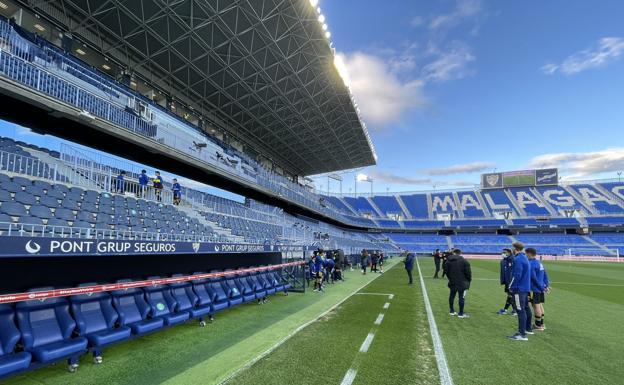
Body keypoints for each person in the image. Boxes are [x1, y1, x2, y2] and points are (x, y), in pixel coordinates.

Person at [508, 241, 533, 341]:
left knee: (520, 310)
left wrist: (510, 286)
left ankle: (521, 334)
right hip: (524, 288)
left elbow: (517, 275)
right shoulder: (524, 258)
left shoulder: (518, 259)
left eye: (512, 248)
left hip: (519, 288)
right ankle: (526, 329)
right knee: (524, 309)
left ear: (515, 248)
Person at [527, 248, 550, 331]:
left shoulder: (531, 264)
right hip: (540, 287)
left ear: (529, 254)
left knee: (536, 306)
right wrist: (546, 285)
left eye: (526, 254)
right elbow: (545, 275)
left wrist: (541, 288)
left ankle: (538, 325)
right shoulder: (539, 263)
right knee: (540, 305)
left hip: (534, 288)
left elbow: (533, 278)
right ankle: (542, 324)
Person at [444, 249, 472, 318]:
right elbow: (468, 273)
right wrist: (468, 280)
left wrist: (450, 278)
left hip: (452, 281)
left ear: (453, 253)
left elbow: (446, 271)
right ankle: (461, 313)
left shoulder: (448, 261)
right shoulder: (465, 261)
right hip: (462, 282)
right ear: (460, 253)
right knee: (461, 297)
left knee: (452, 296)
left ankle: (451, 311)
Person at [497, 248, 516, 315]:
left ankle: (509, 310)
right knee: (510, 295)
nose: (503, 253)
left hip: (511, 281)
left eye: (505, 252)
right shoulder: (504, 260)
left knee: (511, 295)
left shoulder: (513, 259)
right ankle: (511, 310)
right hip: (507, 281)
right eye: (503, 252)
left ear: (509, 253)